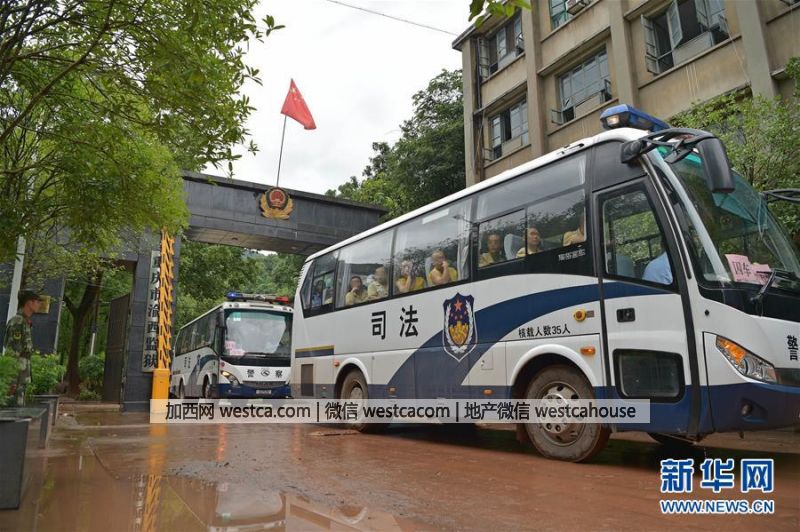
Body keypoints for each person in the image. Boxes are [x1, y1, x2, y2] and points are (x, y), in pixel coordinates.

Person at [3, 290, 41, 406]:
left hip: (22, 375)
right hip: (17, 376)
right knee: (13, 409)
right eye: (37, 301)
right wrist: (12, 380)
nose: (39, 304)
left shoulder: (25, 322)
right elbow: (13, 352)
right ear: (29, 302)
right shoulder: (18, 322)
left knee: (19, 408)